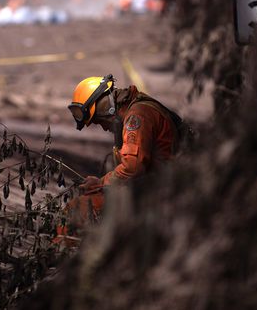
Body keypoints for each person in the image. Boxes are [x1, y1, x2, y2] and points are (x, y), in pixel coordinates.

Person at [62, 74, 187, 231]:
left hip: (158, 193)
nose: (102, 127)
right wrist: (101, 183)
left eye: (99, 121)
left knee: (77, 209)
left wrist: (101, 184)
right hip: (156, 186)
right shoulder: (136, 109)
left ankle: (64, 252)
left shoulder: (137, 116)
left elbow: (132, 168)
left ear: (105, 107)